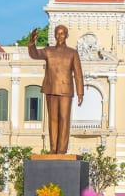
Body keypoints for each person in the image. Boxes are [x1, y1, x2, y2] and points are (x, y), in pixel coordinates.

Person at [27, 25, 84, 154]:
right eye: (57, 34)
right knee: (53, 119)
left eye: (62, 33)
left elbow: (78, 73)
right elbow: (35, 54)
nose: (60, 36)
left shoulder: (72, 53)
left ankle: (62, 149)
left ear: (67, 35)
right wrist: (32, 43)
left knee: (64, 119)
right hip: (51, 89)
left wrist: (80, 92)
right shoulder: (48, 51)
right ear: (54, 35)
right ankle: (53, 148)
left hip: (66, 90)